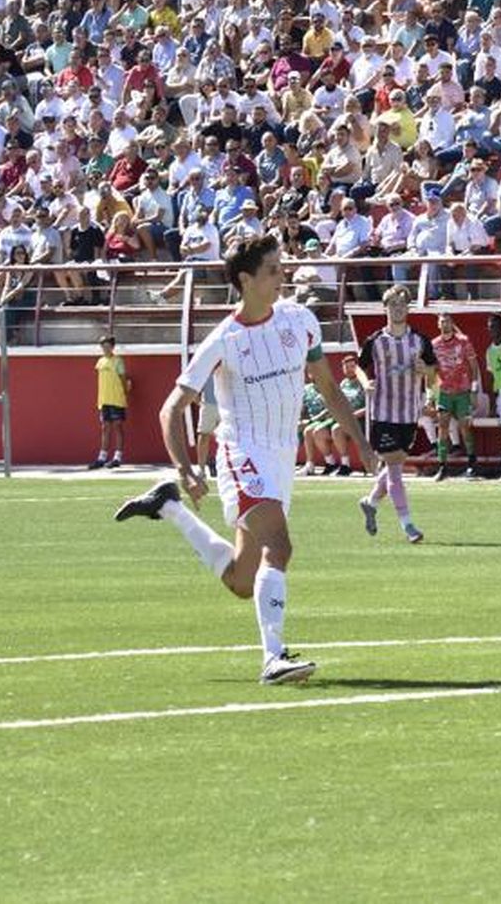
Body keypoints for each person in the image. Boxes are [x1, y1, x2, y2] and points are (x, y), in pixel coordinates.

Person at [112, 234, 376, 685]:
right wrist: (186, 467)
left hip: (281, 458)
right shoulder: (224, 340)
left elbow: (329, 388)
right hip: (242, 453)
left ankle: (168, 507)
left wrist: (361, 442)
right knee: (280, 547)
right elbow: (170, 409)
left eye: (281, 266)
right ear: (245, 280)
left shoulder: (301, 320)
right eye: (272, 269)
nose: (282, 275)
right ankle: (274, 658)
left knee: (240, 580)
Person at [356, 284, 439, 543]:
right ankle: (408, 525)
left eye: (402, 304)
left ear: (408, 309)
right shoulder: (376, 341)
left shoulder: (420, 340)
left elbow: (434, 374)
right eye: (393, 304)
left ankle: (370, 502)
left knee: (395, 466)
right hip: (383, 413)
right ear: (385, 308)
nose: (398, 309)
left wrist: (425, 370)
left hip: (409, 413)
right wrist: (365, 382)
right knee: (394, 469)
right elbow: (359, 366)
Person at [430, 312, 482, 481]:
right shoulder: (434, 345)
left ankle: (472, 463)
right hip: (444, 392)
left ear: (452, 323)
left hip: (462, 391)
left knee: (464, 427)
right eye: (442, 322)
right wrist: (431, 395)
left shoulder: (463, 341)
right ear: (438, 324)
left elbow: (473, 365)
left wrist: (474, 390)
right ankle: (442, 466)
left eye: (447, 321)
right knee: (442, 427)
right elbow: (432, 371)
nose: (445, 324)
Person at [90, 335, 130, 469]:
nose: (105, 349)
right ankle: (102, 457)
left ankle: (117, 457)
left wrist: (124, 392)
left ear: (112, 347)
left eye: (107, 346)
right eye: (103, 346)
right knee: (105, 427)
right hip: (104, 399)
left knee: (117, 426)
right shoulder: (100, 361)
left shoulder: (118, 361)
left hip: (116, 398)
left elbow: (123, 378)